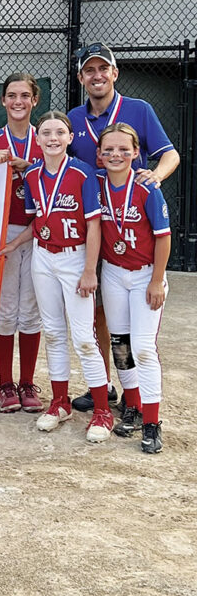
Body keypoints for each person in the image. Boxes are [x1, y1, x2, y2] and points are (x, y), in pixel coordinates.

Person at [67, 42, 179, 413]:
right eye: (89, 70)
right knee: (97, 310)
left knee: (132, 320)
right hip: (92, 225)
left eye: (104, 69)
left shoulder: (138, 110)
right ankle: (107, 383)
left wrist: (156, 177)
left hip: (129, 224)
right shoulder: (73, 117)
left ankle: (136, 397)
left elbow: (170, 153)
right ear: (82, 77)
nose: (97, 76)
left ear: (115, 73)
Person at [1, 111, 113, 443]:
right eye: (46, 132)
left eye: (59, 132)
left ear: (69, 138)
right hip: (43, 255)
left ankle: (102, 411)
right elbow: (38, 222)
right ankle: (60, 402)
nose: (52, 138)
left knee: (82, 337)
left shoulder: (83, 173)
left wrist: (90, 269)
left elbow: (94, 225)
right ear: (38, 139)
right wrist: (14, 243)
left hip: (75, 257)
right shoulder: (33, 175)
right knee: (52, 332)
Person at [96, 122, 170, 454]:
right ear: (99, 154)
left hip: (144, 275)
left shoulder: (147, 186)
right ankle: (134, 406)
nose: (116, 154)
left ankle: (153, 422)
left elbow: (163, 237)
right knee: (120, 344)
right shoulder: (95, 184)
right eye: (108, 149)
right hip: (113, 272)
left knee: (142, 347)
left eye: (124, 149)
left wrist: (157, 280)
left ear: (136, 153)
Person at [0, 72, 44, 414]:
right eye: (11, 96)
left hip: (39, 232)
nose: (18, 101)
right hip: (1, 233)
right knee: (5, 312)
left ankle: (28, 381)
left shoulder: (47, 139)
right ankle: (5, 383)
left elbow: (59, 174)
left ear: (35, 100)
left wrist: (29, 166)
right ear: (2, 100)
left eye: (25, 95)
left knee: (30, 311)